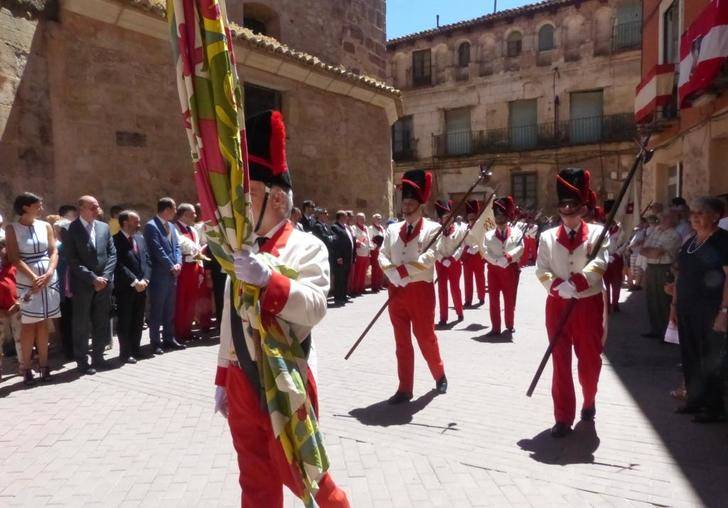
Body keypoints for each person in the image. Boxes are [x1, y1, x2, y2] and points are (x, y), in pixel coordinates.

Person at [213, 110, 349, 507]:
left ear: (274, 198)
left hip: (284, 377)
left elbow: (315, 307)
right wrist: (223, 376)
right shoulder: (242, 246)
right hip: (242, 380)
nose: (239, 204)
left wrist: (268, 282)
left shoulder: (308, 247)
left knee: (309, 478)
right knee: (254, 482)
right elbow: (229, 316)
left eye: (248, 195)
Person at [535, 168, 609, 438]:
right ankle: (563, 416)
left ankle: (589, 400)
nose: (567, 209)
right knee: (560, 361)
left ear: (583, 207)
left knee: (589, 362)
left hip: (587, 306)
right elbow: (541, 268)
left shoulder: (599, 234)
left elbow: (600, 263)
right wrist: (556, 287)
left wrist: (576, 284)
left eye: (573, 204)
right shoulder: (546, 236)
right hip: (557, 305)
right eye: (563, 205)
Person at [380, 169, 447, 404]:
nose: (406, 206)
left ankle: (439, 374)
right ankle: (404, 388)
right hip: (396, 291)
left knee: (425, 337)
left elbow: (430, 257)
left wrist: (404, 271)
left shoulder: (432, 229)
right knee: (401, 342)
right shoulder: (391, 230)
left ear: (420, 204)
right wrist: (391, 273)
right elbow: (382, 254)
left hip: (420, 292)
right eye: (404, 201)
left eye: (410, 202)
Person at [671, 197, 728, 423]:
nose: (695, 216)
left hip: (710, 310)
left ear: (715, 216)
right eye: (693, 212)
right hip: (687, 308)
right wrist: (674, 306)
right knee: (691, 356)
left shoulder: (722, 241)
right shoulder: (690, 241)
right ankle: (695, 400)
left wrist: (724, 312)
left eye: (701, 212)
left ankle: (713, 407)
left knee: (711, 359)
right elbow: (680, 275)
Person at [5, 193, 61, 384]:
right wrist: (34, 278)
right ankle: (26, 367)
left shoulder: (45, 225)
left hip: (48, 279)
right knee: (29, 324)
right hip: (27, 281)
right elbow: (14, 257)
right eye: (38, 205)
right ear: (25, 207)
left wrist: (49, 272)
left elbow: (53, 250)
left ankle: (44, 365)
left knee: (44, 322)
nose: (41, 207)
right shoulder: (12, 229)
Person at [64, 195, 117, 374]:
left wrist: (105, 277)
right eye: (92, 207)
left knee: (101, 321)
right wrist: (92, 278)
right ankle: (81, 361)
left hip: (104, 283)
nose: (97, 210)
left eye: (97, 206)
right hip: (83, 284)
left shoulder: (103, 227)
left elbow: (112, 254)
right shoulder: (71, 229)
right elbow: (72, 259)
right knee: (81, 324)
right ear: (81, 209)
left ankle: (98, 357)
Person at [144, 197, 185, 354]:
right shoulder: (151, 226)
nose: (176, 212)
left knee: (169, 309)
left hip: (172, 274)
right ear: (167, 209)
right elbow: (156, 249)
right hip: (159, 275)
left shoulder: (172, 227)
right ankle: (155, 342)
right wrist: (171, 266)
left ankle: (169, 338)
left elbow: (177, 247)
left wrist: (179, 263)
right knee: (157, 309)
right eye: (174, 209)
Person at [113, 210, 151, 364]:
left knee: (137, 319)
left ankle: (136, 348)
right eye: (135, 221)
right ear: (125, 223)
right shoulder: (115, 240)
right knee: (126, 320)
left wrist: (146, 279)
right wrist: (135, 282)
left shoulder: (140, 239)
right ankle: (125, 352)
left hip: (142, 286)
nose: (139, 224)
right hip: (126, 288)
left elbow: (147, 261)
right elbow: (118, 264)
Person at [483, 196, 524, 338]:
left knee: (509, 299)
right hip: (494, 271)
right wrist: (495, 261)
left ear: (507, 217)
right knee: (493, 300)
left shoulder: (517, 233)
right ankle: (495, 328)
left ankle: (509, 324)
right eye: (497, 217)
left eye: (502, 217)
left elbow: (520, 247)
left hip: (510, 268)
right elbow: (485, 251)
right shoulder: (488, 235)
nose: (500, 220)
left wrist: (508, 257)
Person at [640, 211, 681, 339]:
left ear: (672, 220)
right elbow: (643, 248)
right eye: (661, 218)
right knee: (651, 299)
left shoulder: (674, 235)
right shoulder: (656, 231)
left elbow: (656, 253)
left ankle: (667, 332)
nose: (661, 220)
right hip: (651, 267)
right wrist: (649, 251)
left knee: (664, 301)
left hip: (665, 268)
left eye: (665, 218)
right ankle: (655, 329)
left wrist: (649, 251)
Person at [173, 203, 210, 341]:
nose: (195, 215)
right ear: (185, 214)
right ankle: (178, 331)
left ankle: (187, 330)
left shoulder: (193, 230)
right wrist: (196, 250)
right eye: (193, 213)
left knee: (192, 301)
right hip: (183, 268)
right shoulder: (175, 228)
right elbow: (181, 245)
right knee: (181, 300)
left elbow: (198, 246)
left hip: (194, 267)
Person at [434, 199, 465, 326]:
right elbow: (433, 248)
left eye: (449, 216)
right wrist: (441, 258)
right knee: (442, 290)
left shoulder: (458, 231)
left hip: (454, 263)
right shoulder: (436, 232)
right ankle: (443, 317)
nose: (447, 219)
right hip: (440, 263)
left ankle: (459, 311)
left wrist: (452, 259)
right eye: (444, 217)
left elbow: (461, 246)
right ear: (440, 219)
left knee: (455, 288)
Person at [0, 239, 22, 379]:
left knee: (20, 339)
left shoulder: (17, 266)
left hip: (16, 308)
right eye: (3, 248)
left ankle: (24, 366)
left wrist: (19, 303)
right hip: (0, 310)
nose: (6, 252)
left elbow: (25, 287)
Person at [461, 200, 488, 307]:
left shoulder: (481, 227)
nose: (471, 218)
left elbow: (484, 240)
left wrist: (476, 248)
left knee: (480, 277)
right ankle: (468, 300)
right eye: (469, 216)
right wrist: (465, 248)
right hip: (467, 256)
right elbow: (461, 240)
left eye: (473, 215)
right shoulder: (464, 228)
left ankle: (481, 297)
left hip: (478, 255)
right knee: (467, 279)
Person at [602, 199, 626, 313]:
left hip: (616, 258)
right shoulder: (601, 228)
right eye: (607, 215)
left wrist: (617, 254)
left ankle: (615, 303)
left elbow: (625, 242)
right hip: (605, 258)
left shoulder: (621, 228)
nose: (609, 217)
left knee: (616, 282)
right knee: (605, 282)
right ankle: (606, 304)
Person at [331, 211, 354, 305]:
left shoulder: (345, 227)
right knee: (339, 278)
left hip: (348, 257)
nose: (347, 218)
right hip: (341, 257)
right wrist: (338, 256)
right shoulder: (335, 227)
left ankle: (343, 296)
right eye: (345, 216)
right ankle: (338, 297)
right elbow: (336, 243)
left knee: (344, 278)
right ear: (340, 217)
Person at [351, 212, 372, 296]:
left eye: (363, 218)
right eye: (361, 218)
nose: (363, 220)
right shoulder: (354, 227)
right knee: (357, 272)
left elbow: (368, 238)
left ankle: (361, 288)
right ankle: (355, 289)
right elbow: (354, 238)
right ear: (357, 219)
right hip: (359, 252)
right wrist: (360, 242)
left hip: (366, 252)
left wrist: (370, 246)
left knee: (364, 272)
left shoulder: (366, 228)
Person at [368, 213, 386, 292]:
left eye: (380, 218)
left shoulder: (381, 228)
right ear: (373, 219)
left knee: (381, 268)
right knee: (375, 268)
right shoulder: (371, 228)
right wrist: (375, 246)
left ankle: (379, 284)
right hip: (375, 250)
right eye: (377, 218)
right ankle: (374, 286)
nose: (379, 220)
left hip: (381, 249)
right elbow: (370, 239)